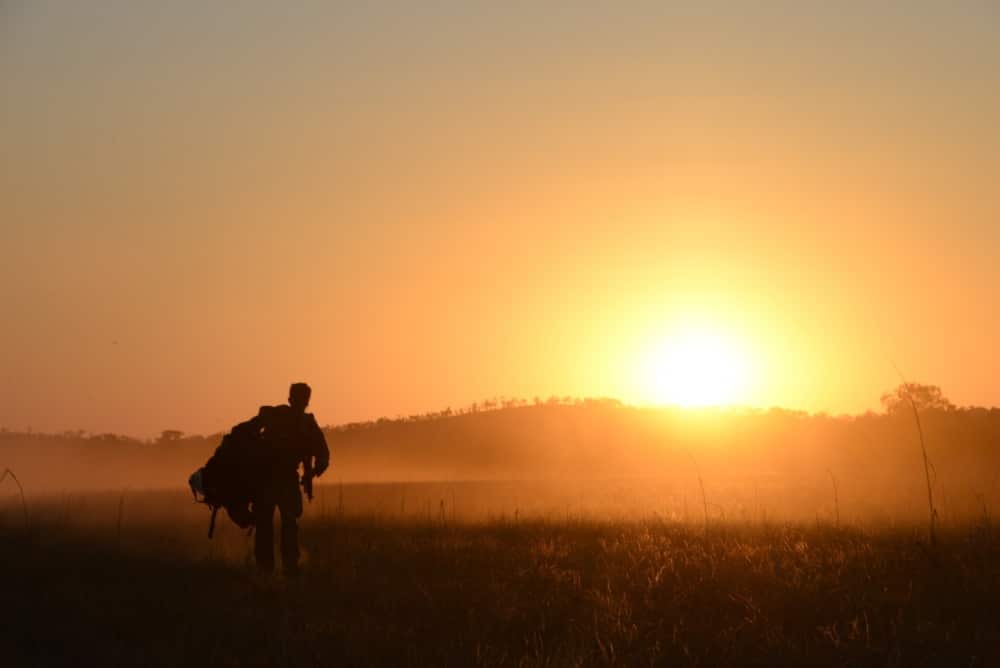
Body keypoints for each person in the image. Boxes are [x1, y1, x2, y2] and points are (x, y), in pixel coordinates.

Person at [251, 382, 329, 576]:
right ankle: (283, 567)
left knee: (275, 524)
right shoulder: (303, 422)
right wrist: (311, 474)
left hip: (271, 479)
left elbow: (322, 455)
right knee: (282, 523)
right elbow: (323, 456)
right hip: (276, 478)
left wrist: (310, 474)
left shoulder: (278, 416)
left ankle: (272, 568)